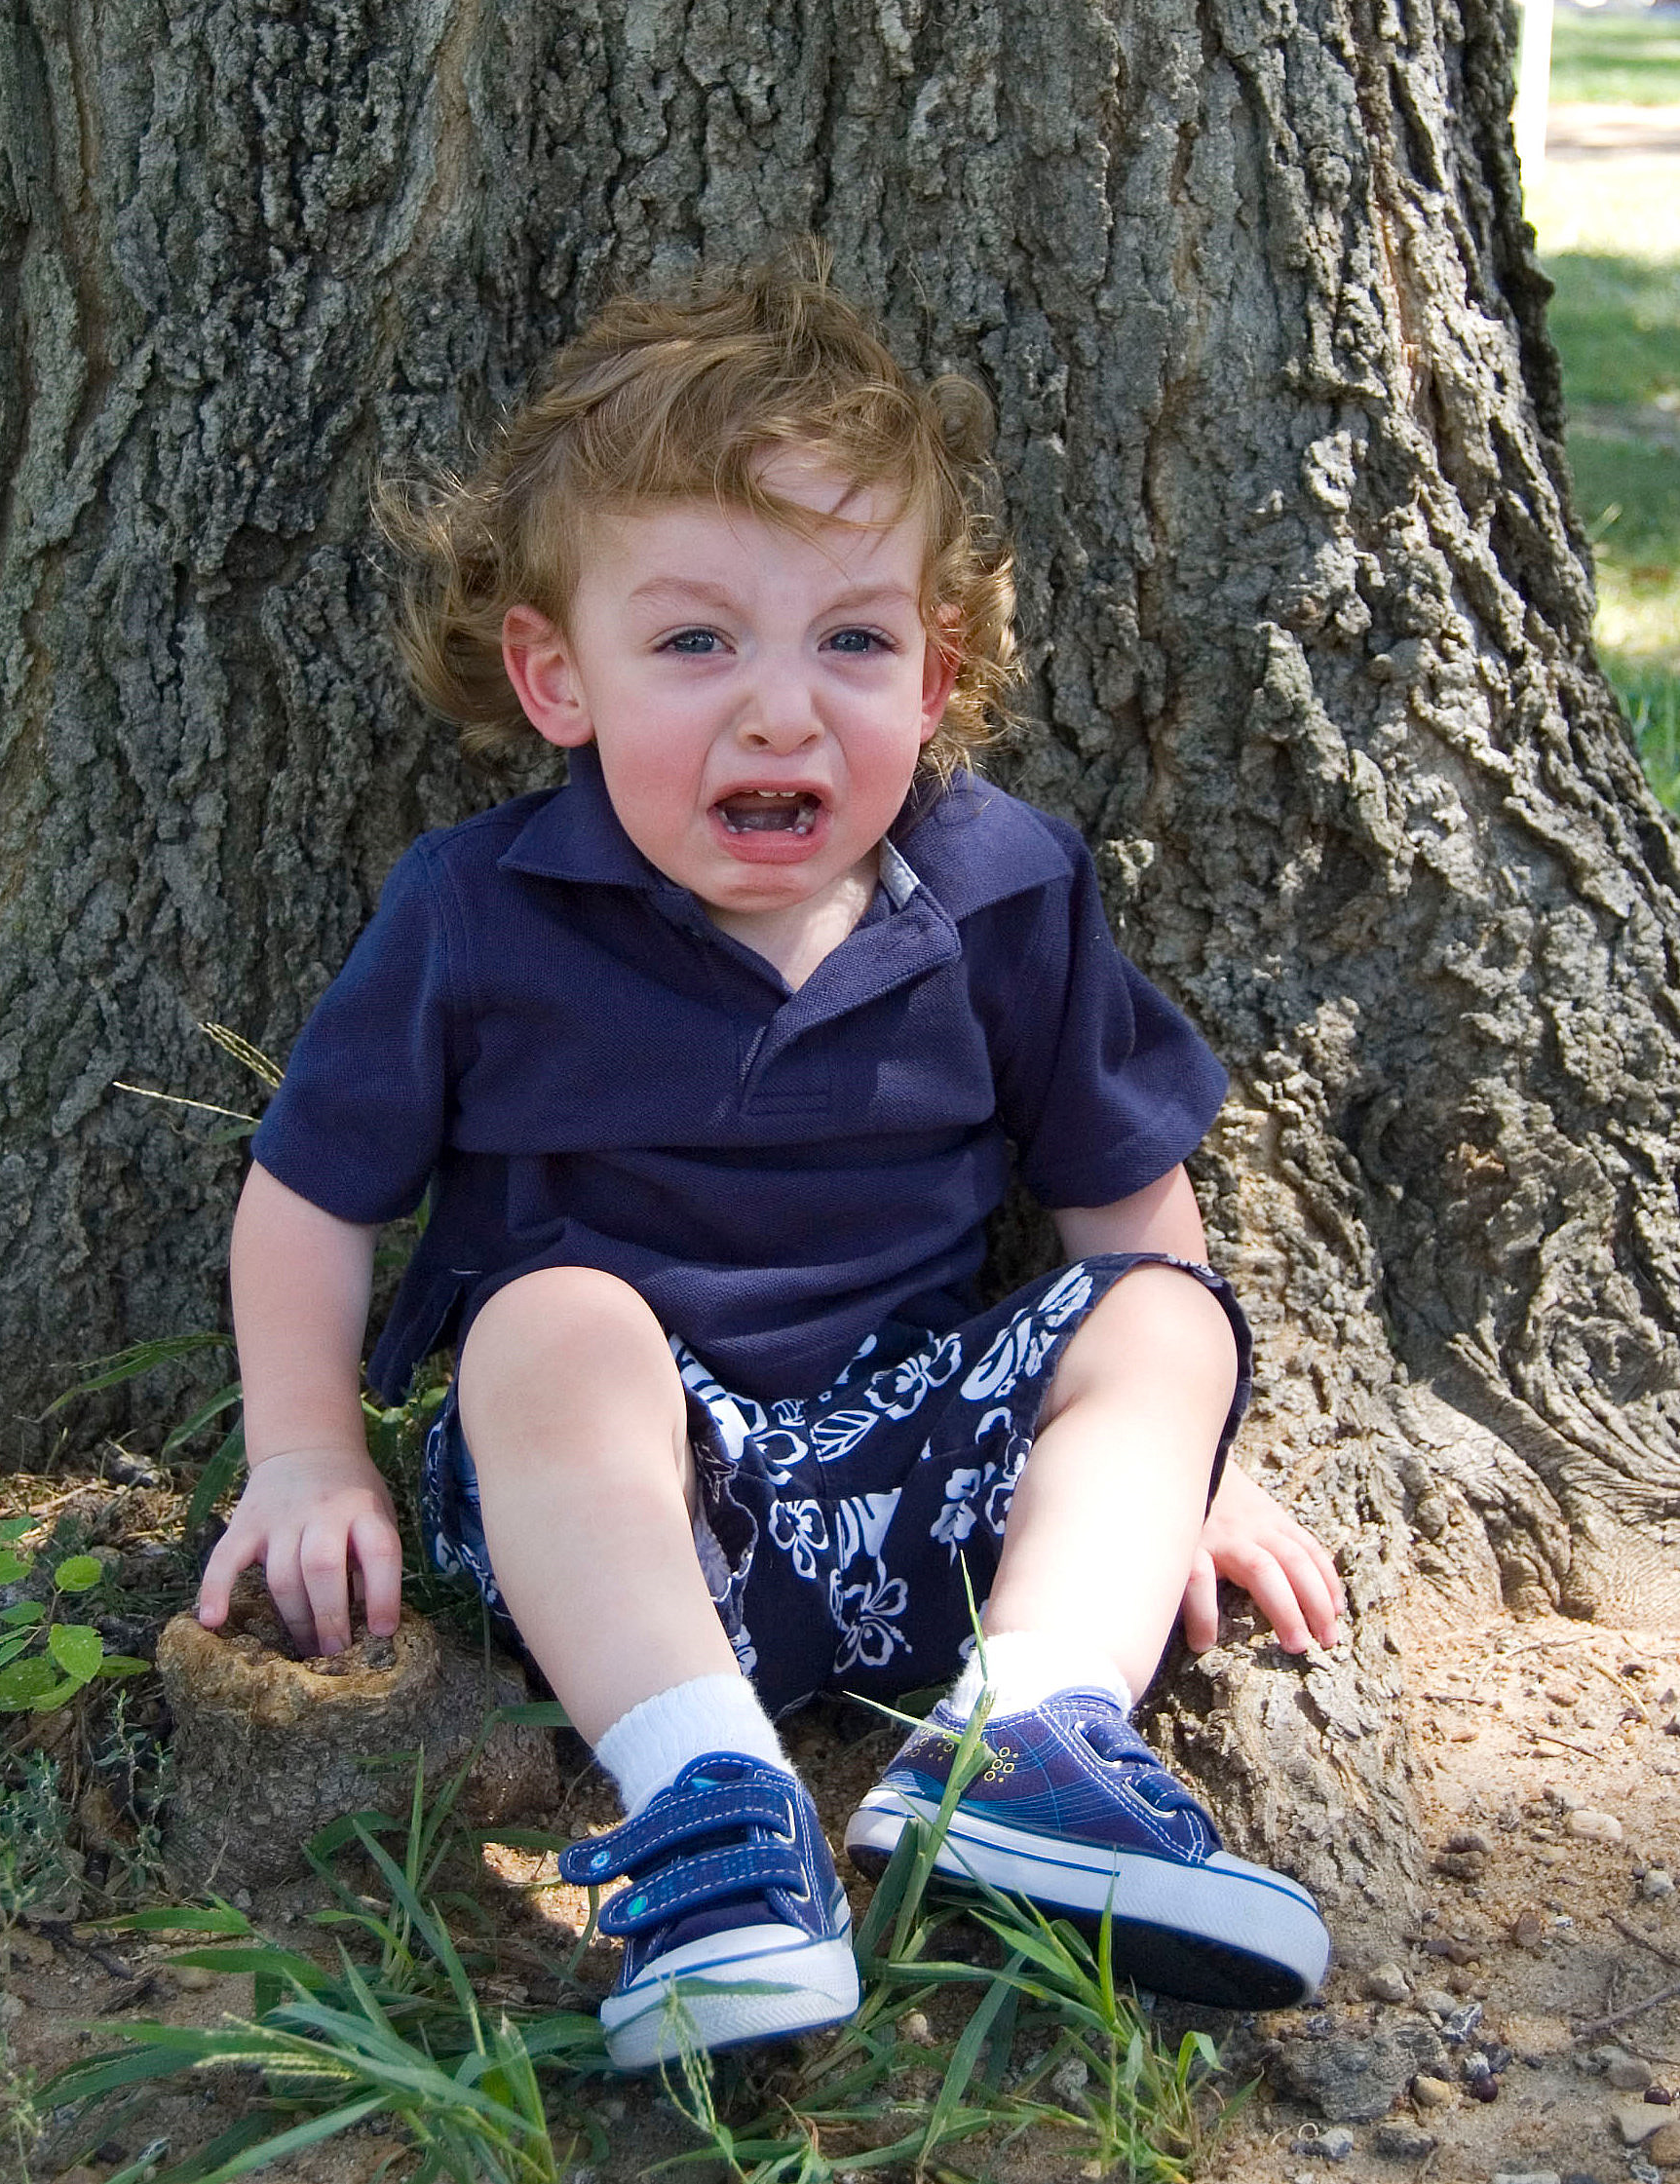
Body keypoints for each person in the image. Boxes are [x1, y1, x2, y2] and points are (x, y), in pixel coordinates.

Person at [196, 254, 1345, 2071]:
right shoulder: (483, 912)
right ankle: (711, 1805)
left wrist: (1178, 1478)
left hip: (923, 1492)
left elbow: (1120, 1187)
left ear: (936, 673)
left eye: (852, 642)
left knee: (1163, 1316)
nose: (781, 711)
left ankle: (1024, 1745)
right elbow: (312, 1195)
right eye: (694, 642)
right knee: (550, 1317)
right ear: (554, 676)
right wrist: (306, 1451)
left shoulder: (1003, 886)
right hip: (622, 1520)